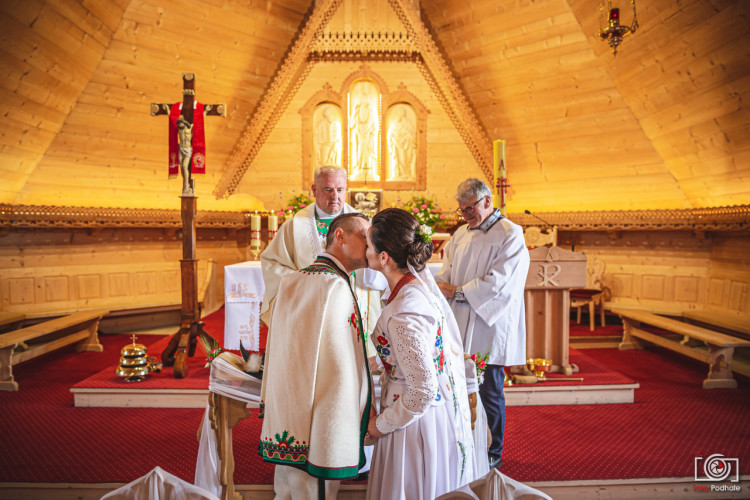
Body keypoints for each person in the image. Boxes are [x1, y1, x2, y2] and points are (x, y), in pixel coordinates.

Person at [364, 208, 481, 500]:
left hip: (411, 424)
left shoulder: (405, 311)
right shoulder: (415, 289)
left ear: (383, 257)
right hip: (419, 414)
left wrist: (379, 426)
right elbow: (414, 353)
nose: (364, 251)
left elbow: (422, 390)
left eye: (368, 246)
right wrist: (371, 362)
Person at [259, 213, 373, 499]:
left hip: (289, 412)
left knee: (287, 490)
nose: (370, 244)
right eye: (364, 236)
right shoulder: (334, 285)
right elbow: (338, 370)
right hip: (321, 423)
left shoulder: (294, 280)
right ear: (340, 236)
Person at [435, 178, 530, 470]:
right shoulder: (461, 234)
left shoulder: (510, 234)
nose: (465, 215)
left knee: (488, 390)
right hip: (459, 321)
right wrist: (437, 286)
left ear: (487, 201)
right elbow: (447, 270)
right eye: (461, 210)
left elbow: (500, 283)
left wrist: (455, 292)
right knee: (458, 385)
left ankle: (493, 450)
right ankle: (463, 444)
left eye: (470, 208)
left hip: (490, 324)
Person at [260, 165, 384, 336]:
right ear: (314, 190)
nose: (335, 196)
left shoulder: (365, 224)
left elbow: (380, 262)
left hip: (357, 305)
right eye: (328, 189)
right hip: (311, 306)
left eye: (340, 190)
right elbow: (272, 263)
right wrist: (303, 283)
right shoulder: (294, 226)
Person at [176, 116, 193, 195]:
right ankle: (185, 184)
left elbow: (199, 121)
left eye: (180, 124)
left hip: (187, 150)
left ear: (183, 122)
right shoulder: (179, 129)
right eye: (178, 124)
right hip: (181, 149)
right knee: (182, 168)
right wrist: (168, 111)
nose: (180, 125)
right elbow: (171, 120)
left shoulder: (190, 128)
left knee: (185, 166)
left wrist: (205, 112)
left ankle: (186, 185)